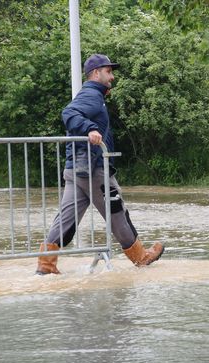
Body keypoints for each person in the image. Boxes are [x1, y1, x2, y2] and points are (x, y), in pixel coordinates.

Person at [36, 54, 164, 275]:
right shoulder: (91, 95)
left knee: (66, 218)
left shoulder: (94, 96)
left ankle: (46, 265)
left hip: (77, 169)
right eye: (108, 72)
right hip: (94, 169)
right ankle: (141, 257)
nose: (112, 77)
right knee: (117, 213)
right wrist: (90, 129)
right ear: (96, 73)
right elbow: (68, 113)